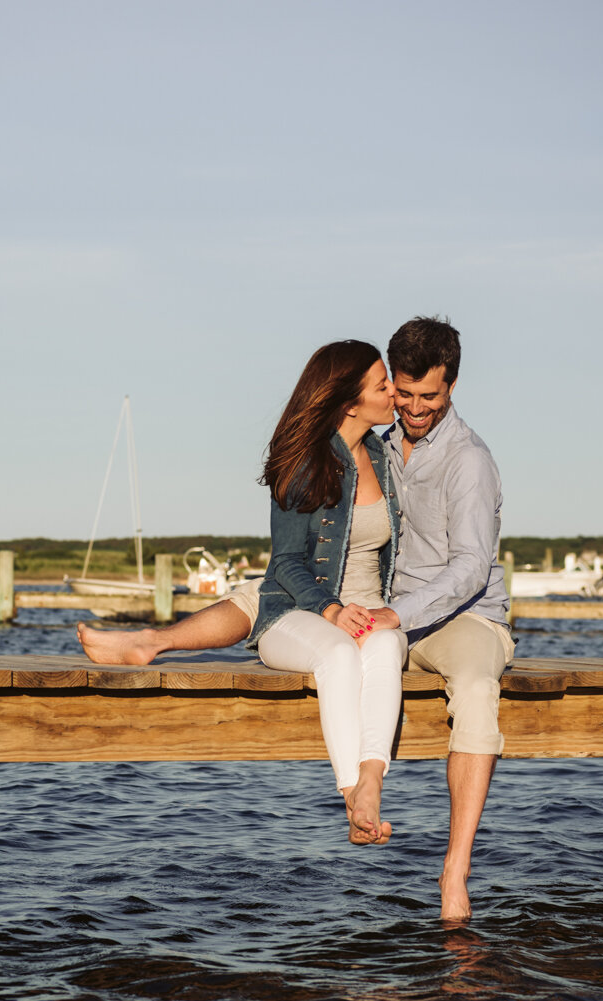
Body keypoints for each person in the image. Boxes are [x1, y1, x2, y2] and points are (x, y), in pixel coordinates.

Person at [77, 316, 512, 924]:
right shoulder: (378, 447)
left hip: (452, 614)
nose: (410, 405)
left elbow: (468, 569)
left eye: (425, 396)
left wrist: (388, 612)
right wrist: (339, 604)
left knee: (470, 685)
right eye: (399, 390)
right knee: (272, 589)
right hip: (374, 603)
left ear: (453, 387)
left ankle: (453, 873)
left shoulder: (467, 461)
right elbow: (307, 550)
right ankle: (153, 641)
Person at [250, 339, 406, 847]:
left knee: (384, 643)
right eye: (382, 384)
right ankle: (351, 798)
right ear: (349, 400)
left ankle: (372, 785)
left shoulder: (384, 455)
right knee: (340, 653)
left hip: (369, 612)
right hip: (297, 615)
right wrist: (332, 610)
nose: (394, 391)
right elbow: (286, 563)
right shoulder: (306, 461)